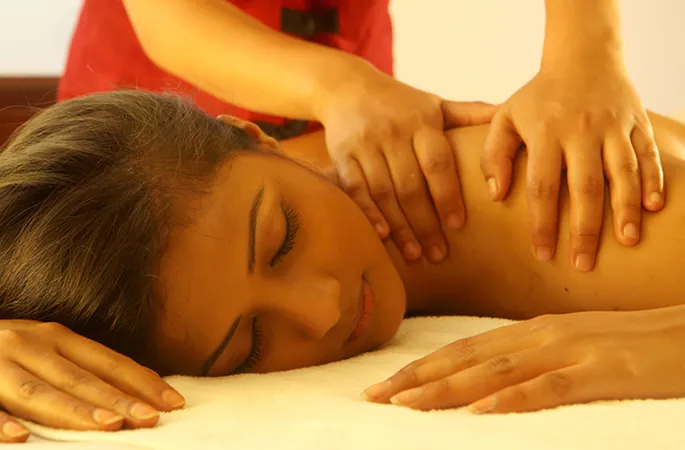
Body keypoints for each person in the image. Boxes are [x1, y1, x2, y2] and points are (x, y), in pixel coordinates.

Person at [0, 90, 683, 442]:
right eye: (249, 345)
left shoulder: (509, 191)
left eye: (284, 239)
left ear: (256, 137)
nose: (323, 308)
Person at [59, 0, 665, 270]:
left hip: (356, 91)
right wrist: (339, 86)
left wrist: (587, 53)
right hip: (142, 140)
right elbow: (169, 15)